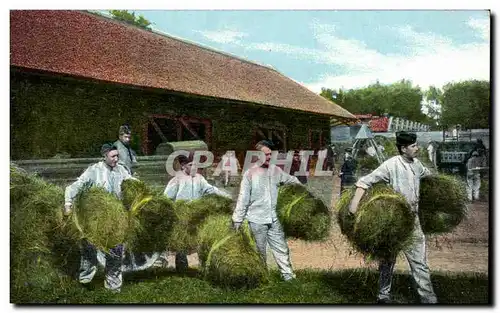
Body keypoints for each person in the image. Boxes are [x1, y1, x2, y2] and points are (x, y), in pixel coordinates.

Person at [348, 131, 438, 304]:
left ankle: (429, 300)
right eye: (413, 146)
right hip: (394, 222)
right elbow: (365, 181)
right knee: (387, 260)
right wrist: (354, 205)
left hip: (413, 221)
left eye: (416, 145)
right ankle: (383, 295)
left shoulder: (417, 164)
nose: (417, 148)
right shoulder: (391, 165)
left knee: (420, 262)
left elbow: (429, 176)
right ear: (403, 149)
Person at [64, 143, 136, 293]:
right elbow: (78, 185)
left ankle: (113, 285)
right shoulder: (94, 170)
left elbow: (131, 183)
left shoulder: (121, 170)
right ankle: (85, 280)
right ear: (104, 156)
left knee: (116, 250)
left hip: (116, 216)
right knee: (90, 248)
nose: (116, 159)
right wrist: (68, 202)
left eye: (117, 156)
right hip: (96, 217)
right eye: (113, 156)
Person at [232, 140, 301, 281]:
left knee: (281, 248)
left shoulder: (275, 170)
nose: (269, 157)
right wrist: (237, 219)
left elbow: (291, 179)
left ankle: (288, 275)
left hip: (274, 218)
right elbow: (243, 198)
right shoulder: (249, 174)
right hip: (256, 220)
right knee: (259, 251)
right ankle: (261, 276)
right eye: (266, 155)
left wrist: (302, 189)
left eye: (270, 154)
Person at [160, 154, 231, 271]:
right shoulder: (177, 179)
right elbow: (167, 197)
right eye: (191, 164)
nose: (194, 167)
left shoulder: (199, 178)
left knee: (200, 240)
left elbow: (210, 189)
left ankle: (202, 267)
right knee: (182, 241)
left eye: (196, 165)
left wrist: (226, 196)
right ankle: (182, 269)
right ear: (183, 166)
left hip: (197, 215)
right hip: (182, 215)